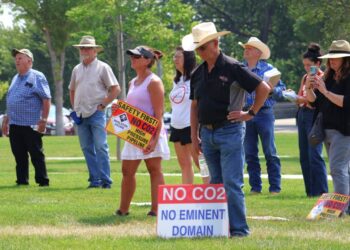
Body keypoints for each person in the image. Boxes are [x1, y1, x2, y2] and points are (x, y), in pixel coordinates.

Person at [182, 22, 270, 237]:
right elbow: (194, 106)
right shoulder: (198, 73)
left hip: (229, 130)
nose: (199, 52)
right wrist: (194, 136)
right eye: (197, 48)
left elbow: (263, 88)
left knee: (232, 184)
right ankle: (218, 228)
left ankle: (239, 230)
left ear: (215, 43)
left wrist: (250, 113)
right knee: (214, 184)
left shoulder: (233, 67)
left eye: (202, 47)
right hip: (206, 134)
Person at [116, 46, 170, 217]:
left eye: (137, 56)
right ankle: (123, 209)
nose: (132, 58)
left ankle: (156, 209)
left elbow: (159, 114)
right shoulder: (133, 82)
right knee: (127, 171)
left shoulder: (154, 82)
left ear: (147, 60)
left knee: (154, 169)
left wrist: (154, 140)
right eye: (131, 56)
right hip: (134, 134)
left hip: (151, 133)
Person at [69, 36, 120, 189]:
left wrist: (104, 104)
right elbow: (72, 90)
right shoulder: (76, 69)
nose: (83, 51)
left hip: (97, 112)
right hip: (80, 114)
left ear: (94, 51)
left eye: (87, 48)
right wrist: (74, 108)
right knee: (86, 148)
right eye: (81, 48)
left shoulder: (103, 67)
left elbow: (115, 89)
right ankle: (94, 180)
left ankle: (106, 180)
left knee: (101, 146)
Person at [306, 40, 350, 215]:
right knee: (343, 169)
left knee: (337, 169)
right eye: (330, 58)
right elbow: (314, 101)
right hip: (327, 130)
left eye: (336, 58)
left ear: (346, 60)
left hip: (344, 130)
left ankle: (341, 209)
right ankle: (346, 208)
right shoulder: (328, 77)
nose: (331, 61)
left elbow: (345, 102)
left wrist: (324, 91)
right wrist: (309, 88)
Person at [239, 37, 286, 195]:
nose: (246, 50)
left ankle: (275, 188)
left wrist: (271, 90)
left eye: (250, 48)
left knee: (270, 152)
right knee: (250, 153)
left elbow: (282, 91)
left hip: (264, 113)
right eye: (245, 47)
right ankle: (255, 188)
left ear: (258, 53)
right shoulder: (239, 69)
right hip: (245, 113)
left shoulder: (269, 69)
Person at [2, 48, 51, 186]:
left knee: (36, 154)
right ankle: (22, 180)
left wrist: (44, 119)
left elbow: (46, 99)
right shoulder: (15, 78)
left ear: (29, 61)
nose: (16, 61)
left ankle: (43, 180)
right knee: (19, 154)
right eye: (16, 58)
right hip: (15, 123)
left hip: (31, 123)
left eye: (20, 58)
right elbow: (10, 100)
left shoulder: (37, 76)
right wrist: (6, 120)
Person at [169, 46, 209, 184]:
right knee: (185, 165)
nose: (175, 59)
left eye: (178, 56)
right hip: (176, 127)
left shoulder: (196, 77)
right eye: (174, 56)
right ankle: (187, 199)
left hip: (191, 126)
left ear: (188, 58)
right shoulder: (177, 81)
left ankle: (211, 193)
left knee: (202, 165)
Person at [295, 43, 328, 197]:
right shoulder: (305, 77)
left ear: (318, 64)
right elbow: (300, 98)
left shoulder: (322, 77)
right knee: (304, 155)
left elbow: (314, 100)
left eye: (310, 65)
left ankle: (321, 191)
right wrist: (296, 98)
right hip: (302, 114)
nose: (307, 68)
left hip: (313, 116)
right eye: (305, 65)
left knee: (314, 154)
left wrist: (304, 99)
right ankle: (310, 191)